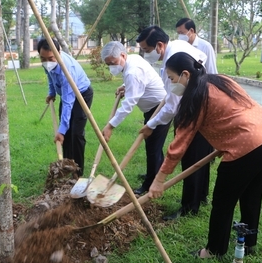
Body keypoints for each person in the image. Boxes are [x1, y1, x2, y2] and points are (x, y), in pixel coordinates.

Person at [148, 52, 262, 258]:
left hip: (248, 146)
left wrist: (159, 179)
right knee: (252, 195)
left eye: (172, 78)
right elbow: (236, 110)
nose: (172, 84)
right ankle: (248, 243)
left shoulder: (195, 98)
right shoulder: (220, 80)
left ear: (185, 75)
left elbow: (179, 144)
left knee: (222, 201)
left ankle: (214, 250)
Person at [136, 25, 215, 220]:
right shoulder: (179, 45)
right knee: (200, 158)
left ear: (160, 45)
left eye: (147, 50)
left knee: (191, 159)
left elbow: (171, 107)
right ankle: (201, 196)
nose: (146, 54)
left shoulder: (174, 61)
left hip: (194, 111)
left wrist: (151, 125)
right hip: (202, 104)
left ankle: (189, 207)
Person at [100, 41, 170, 195]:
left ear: (123, 55)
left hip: (159, 108)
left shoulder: (133, 71)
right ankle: (155, 172)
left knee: (153, 147)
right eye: (108, 64)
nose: (112, 67)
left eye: (113, 62)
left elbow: (129, 103)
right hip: (152, 107)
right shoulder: (131, 61)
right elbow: (139, 83)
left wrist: (111, 126)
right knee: (153, 145)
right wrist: (126, 87)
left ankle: (149, 183)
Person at [37, 38, 93, 176]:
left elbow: (68, 103)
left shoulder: (67, 71)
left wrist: (60, 131)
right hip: (66, 93)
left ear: (59, 52)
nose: (46, 62)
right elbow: (50, 76)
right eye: (43, 58)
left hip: (82, 94)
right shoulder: (47, 62)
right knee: (67, 133)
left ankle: (78, 172)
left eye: (51, 58)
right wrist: (51, 93)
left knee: (76, 133)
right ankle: (68, 165)